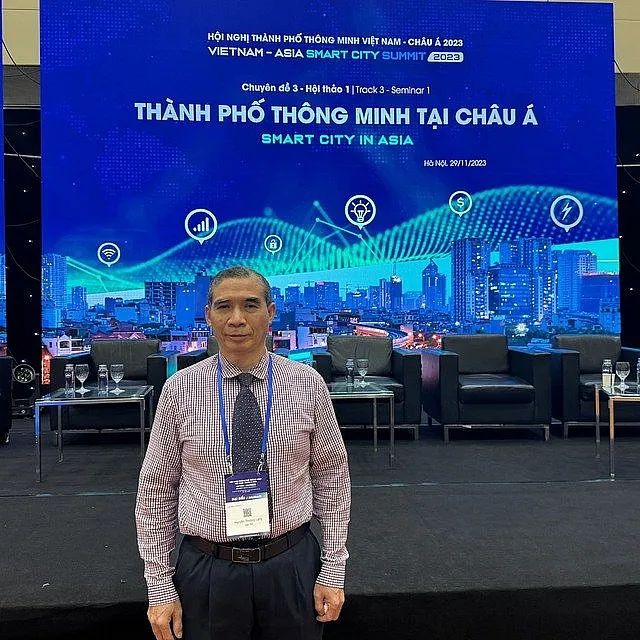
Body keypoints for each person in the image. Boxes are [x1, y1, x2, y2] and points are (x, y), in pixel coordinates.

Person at [135, 265, 351, 640]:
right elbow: (156, 490)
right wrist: (159, 585)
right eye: (224, 307)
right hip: (207, 568)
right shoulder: (180, 390)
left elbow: (332, 478)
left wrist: (333, 568)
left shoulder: (307, 384)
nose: (237, 319)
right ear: (208, 316)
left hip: (291, 565)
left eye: (250, 305)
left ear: (270, 312)